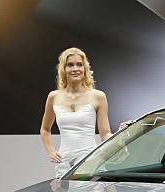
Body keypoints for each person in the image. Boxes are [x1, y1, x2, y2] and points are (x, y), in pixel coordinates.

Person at [40, 47, 130, 177]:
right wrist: (51, 151)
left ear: (85, 69)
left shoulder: (98, 96)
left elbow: (105, 134)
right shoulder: (53, 97)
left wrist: (121, 135)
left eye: (79, 65)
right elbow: (45, 129)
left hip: (90, 161)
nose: (75, 69)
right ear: (63, 69)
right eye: (70, 65)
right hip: (64, 163)